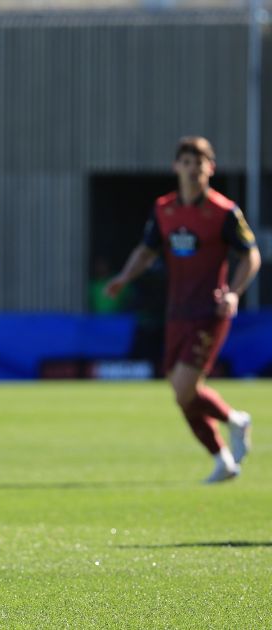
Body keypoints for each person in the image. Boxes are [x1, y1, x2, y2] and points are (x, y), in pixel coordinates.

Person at [105, 136, 261, 483]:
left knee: (184, 387)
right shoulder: (165, 209)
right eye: (187, 162)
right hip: (176, 312)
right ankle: (223, 456)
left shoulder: (224, 212)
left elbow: (251, 255)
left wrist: (234, 293)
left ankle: (235, 421)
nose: (193, 169)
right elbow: (146, 251)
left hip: (210, 311)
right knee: (182, 394)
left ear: (211, 168)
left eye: (200, 162)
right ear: (177, 167)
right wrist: (125, 277)